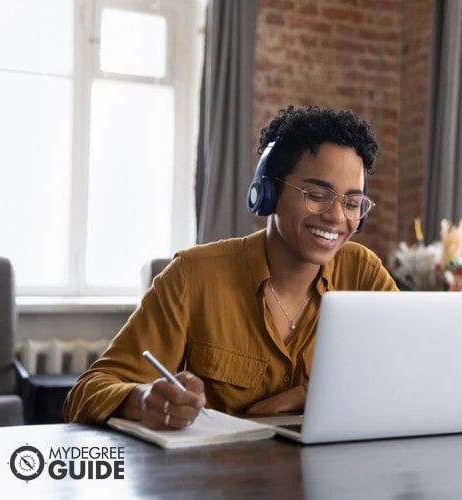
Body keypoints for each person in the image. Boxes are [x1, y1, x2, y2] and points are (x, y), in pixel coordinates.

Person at [63, 105, 399, 429]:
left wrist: (311, 396)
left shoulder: (363, 274)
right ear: (267, 191)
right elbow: (87, 392)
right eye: (317, 194)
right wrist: (145, 398)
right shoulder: (192, 276)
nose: (338, 217)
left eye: (353, 203)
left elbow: (407, 375)